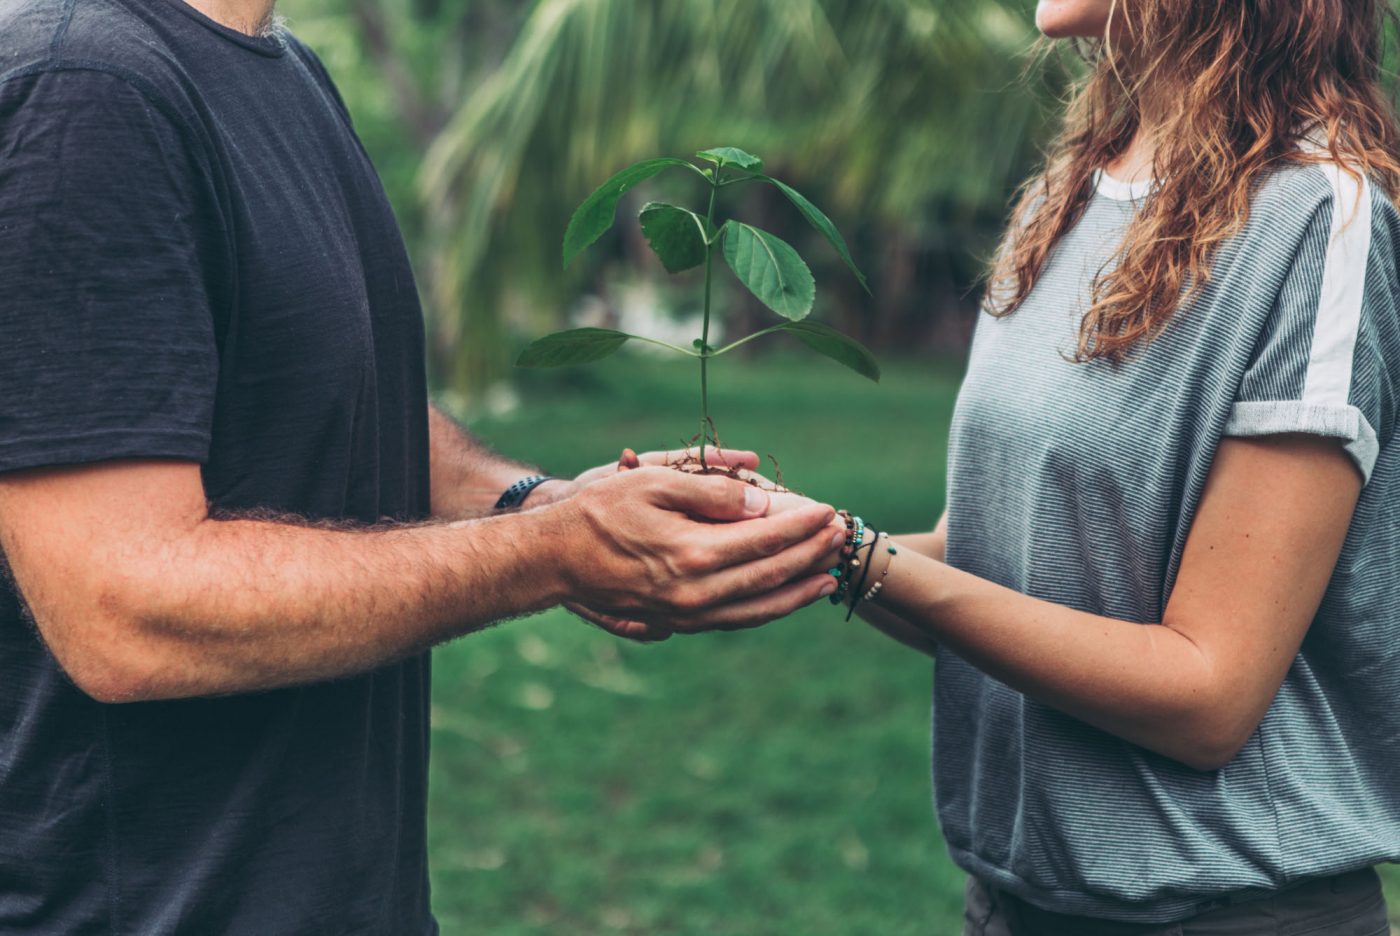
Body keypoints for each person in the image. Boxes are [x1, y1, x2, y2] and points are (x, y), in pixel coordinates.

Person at [0, 0, 843, 931]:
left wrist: (535, 503)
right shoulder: (84, 90)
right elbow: (123, 610)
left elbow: (337, 390)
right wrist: (555, 552)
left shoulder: (282, 70)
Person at [792, 0, 1400, 932]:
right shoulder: (1062, 196)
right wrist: (791, 537)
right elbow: (992, 571)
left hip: (1224, 909)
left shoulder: (1320, 215)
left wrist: (861, 558)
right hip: (1013, 902)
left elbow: (1209, 695)